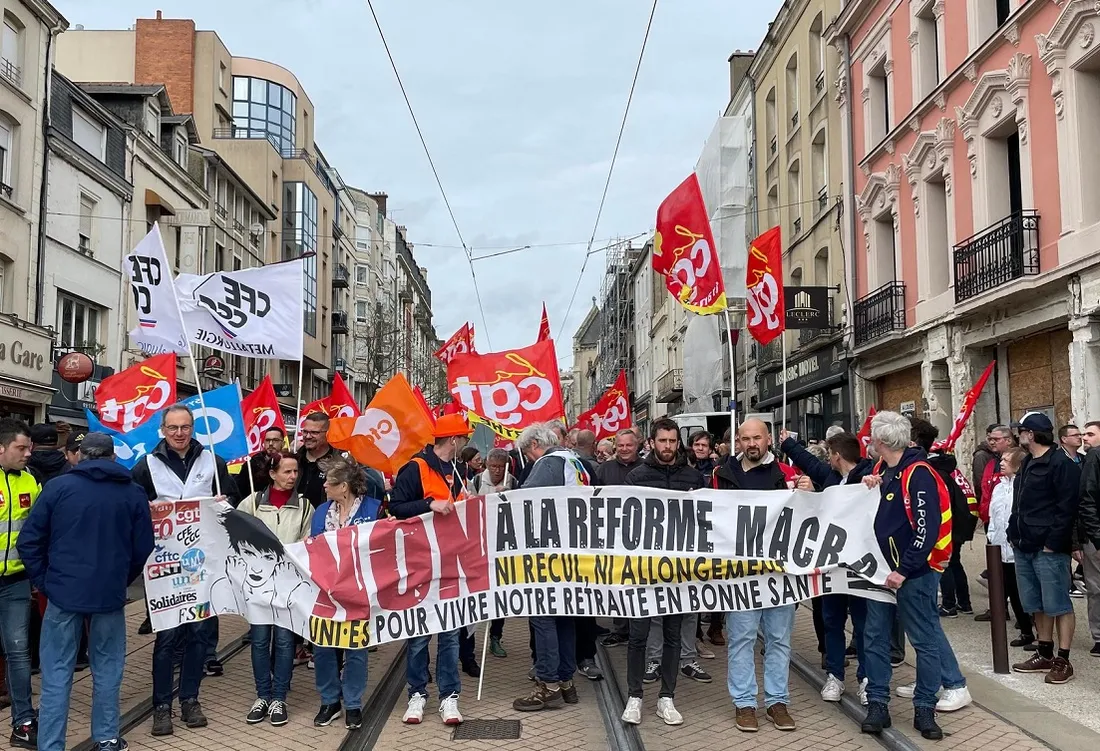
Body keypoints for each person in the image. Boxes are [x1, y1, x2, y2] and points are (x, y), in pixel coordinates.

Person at [18, 433, 154, 751]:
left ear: (79, 455)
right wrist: (121, 578)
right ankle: (106, 738)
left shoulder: (58, 488)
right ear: (112, 457)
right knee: (108, 669)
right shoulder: (132, 493)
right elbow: (143, 546)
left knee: (56, 672)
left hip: (63, 593)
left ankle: (51, 745)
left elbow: (28, 541)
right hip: (108, 594)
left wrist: (45, 581)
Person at [860, 411, 970, 741]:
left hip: (914, 573)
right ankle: (878, 703)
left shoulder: (919, 473)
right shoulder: (883, 469)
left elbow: (927, 528)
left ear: (880, 442)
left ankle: (924, 706)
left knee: (923, 640)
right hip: (880, 570)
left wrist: (903, 570)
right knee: (876, 637)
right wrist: (870, 485)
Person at [130, 404, 239, 737]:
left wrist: (223, 504)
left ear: (193, 428)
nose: (179, 433)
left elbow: (232, 506)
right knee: (167, 638)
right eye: (173, 428)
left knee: (199, 636)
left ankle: (190, 698)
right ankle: (162, 706)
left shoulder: (214, 462)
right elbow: (132, 509)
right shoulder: (145, 466)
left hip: (203, 564)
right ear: (162, 429)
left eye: (185, 427)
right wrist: (147, 508)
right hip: (164, 567)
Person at [620, 418, 704, 727]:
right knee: (638, 636)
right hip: (643, 571)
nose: (667, 446)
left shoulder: (694, 478)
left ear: (678, 443)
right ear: (652, 442)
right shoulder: (636, 477)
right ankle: (635, 696)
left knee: (672, 635)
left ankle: (666, 698)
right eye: (662, 441)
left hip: (679, 572)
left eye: (672, 441)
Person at [714, 418, 797, 733]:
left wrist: (809, 491)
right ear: (738, 441)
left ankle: (777, 701)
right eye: (745, 438)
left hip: (779, 576)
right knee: (741, 639)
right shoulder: (722, 475)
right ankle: (745, 703)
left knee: (778, 639)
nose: (751, 444)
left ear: (768, 440)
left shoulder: (788, 476)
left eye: (757, 438)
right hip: (740, 576)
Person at [780, 429, 873, 704]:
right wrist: (788, 443)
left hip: (859, 566)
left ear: (836, 455)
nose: (828, 460)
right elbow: (810, 464)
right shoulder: (832, 478)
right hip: (832, 565)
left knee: (863, 623)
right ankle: (835, 675)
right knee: (832, 620)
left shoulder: (868, 479)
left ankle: (867, 679)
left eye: (830, 455)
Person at [391, 413, 471, 727]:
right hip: (421, 562)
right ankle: (418, 694)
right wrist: (429, 504)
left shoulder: (461, 470)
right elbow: (395, 507)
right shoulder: (415, 468)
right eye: (463, 437)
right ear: (453, 440)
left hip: (453, 562)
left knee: (451, 633)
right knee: (420, 635)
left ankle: (449, 696)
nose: (465, 442)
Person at [512, 423, 590, 713]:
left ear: (534, 445)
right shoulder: (575, 461)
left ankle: (548, 683)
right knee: (565, 618)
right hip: (575, 552)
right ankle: (567, 680)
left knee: (543, 617)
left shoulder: (547, 464)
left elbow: (523, 504)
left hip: (550, 553)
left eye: (526, 453)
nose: (528, 459)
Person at [234, 450, 313, 727]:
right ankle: (262, 695)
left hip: (288, 587)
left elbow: (310, 543)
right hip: (257, 587)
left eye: (295, 472)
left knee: (283, 641)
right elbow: (232, 534)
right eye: (287, 472)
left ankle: (279, 696)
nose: (292, 477)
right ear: (272, 474)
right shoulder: (252, 502)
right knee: (258, 641)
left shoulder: (304, 506)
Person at [1008, 411, 1082, 683]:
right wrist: (1012, 532)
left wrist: (1053, 543)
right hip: (1024, 544)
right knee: (1036, 602)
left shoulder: (1062, 463)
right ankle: (1045, 652)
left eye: (1022, 431)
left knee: (1058, 604)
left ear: (1031, 434)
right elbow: (1020, 503)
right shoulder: (1027, 462)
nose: (1018, 435)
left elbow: (1067, 508)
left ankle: (1063, 659)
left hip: (1049, 548)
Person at [309, 457, 382, 730]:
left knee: (355, 648)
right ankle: (329, 701)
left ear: (345, 487)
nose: (325, 485)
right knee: (324, 646)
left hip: (358, 591)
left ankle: (352, 703)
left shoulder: (374, 510)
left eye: (331, 481)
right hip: (325, 591)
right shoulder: (320, 513)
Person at [908, 417, 978, 618]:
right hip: (960, 523)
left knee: (945, 564)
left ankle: (949, 604)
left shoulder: (935, 472)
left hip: (948, 525)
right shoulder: (951, 469)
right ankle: (964, 603)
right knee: (955, 563)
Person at [0, 419, 43, 747]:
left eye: (29, 448)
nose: (28, 453)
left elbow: (39, 529)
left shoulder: (30, 481)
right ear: (1, 447)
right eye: (21, 448)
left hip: (16, 581)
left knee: (18, 651)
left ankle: (23, 722)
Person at [597, 428, 645, 647]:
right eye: (621, 445)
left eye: (630, 445)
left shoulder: (646, 469)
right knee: (617, 582)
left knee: (639, 583)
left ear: (638, 445)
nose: (625, 449)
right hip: (613, 535)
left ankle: (638, 628)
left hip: (642, 536)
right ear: (616, 446)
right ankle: (620, 628)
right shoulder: (604, 469)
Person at [987, 448, 1035, 648]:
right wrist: (991, 537)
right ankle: (1025, 631)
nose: (1002, 463)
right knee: (1011, 591)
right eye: (1002, 459)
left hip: (1018, 546)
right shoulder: (998, 486)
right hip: (1000, 547)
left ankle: (1037, 630)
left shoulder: (1023, 485)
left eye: (1007, 460)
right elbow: (993, 514)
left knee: (1024, 591)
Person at [470, 448, 515, 658]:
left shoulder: (513, 482)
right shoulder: (477, 482)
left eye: (501, 467)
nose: (497, 470)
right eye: (493, 466)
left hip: (503, 546)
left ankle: (496, 637)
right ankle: (469, 641)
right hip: (479, 545)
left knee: (501, 596)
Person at [1078, 421, 1100, 657]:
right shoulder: (1092, 459)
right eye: (1083, 434)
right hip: (1095, 537)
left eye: (1090, 434)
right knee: (1096, 588)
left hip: (1094, 535)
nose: (1085, 437)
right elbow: (1087, 501)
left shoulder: (1093, 458)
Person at [248, 426, 288, 495]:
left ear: (283, 443)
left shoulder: (289, 462)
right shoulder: (253, 463)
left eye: (275, 440)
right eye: (267, 440)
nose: (271, 444)